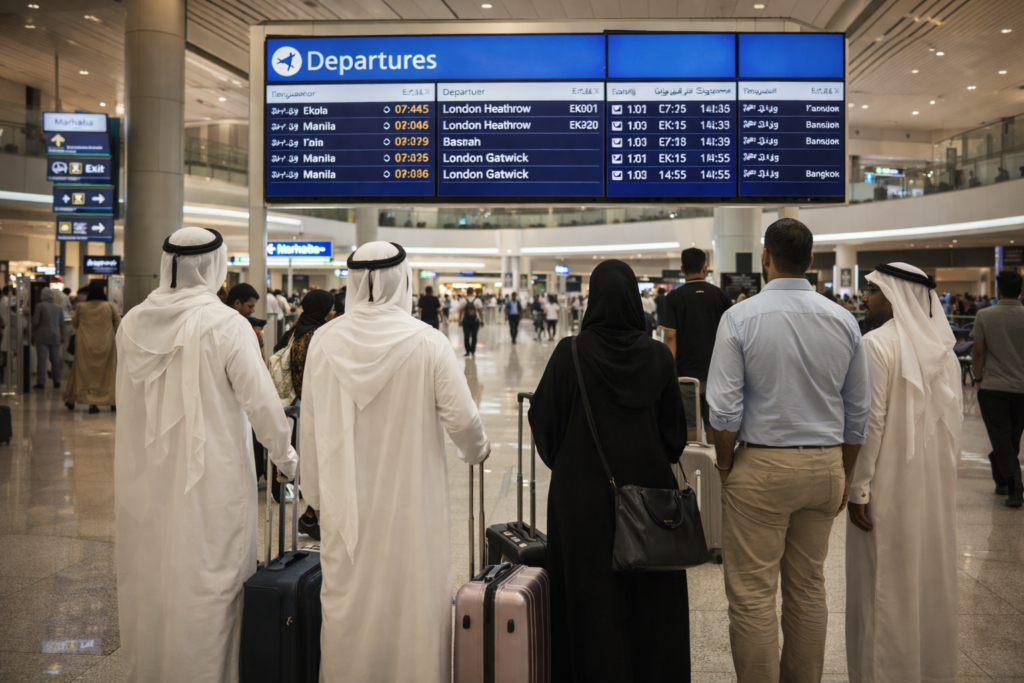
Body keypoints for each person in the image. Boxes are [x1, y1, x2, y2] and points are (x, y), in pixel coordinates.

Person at [114, 227, 298, 683]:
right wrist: (288, 459)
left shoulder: (133, 321)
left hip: (145, 483)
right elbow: (261, 404)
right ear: (213, 267)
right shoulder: (226, 324)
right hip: (211, 483)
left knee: (150, 578)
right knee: (210, 584)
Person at [299, 242, 489, 683]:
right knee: (412, 609)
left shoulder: (324, 342)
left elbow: (307, 428)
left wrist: (316, 497)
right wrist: (476, 450)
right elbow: (463, 422)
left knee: (349, 608)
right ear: (401, 280)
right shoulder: (427, 342)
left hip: (347, 513)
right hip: (412, 511)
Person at [707, 218, 871, 683]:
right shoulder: (843, 320)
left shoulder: (740, 318)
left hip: (761, 464)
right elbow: (859, 413)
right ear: (812, 261)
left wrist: (725, 467)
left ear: (765, 257)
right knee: (808, 588)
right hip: (824, 465)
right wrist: (843, 473)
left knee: (754, 593)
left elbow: (723, 410)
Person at [528, 259, 688, 682]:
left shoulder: (570, 354)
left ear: (592, 300)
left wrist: (571, 462)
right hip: (649, 501)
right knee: (649, 599)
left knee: (587, 595)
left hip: (580, 501)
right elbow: (674, 439)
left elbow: (544, 427)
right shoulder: (657, 357)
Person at [846, 263, 962, 683]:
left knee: (884, 583)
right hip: (931, 487)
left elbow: (870, 423)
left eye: (873, 293)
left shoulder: (877, 344)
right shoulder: (943, 350)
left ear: (895, 297)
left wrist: (858, 489)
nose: (867, 300)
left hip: (888, 487)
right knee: (925, 575)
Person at [271, 288, 336, 538]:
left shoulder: (296, 330)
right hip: (316, 406)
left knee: (313, 462)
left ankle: (311, 516)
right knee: (320, 462)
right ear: (321, 309)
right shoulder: (317, 335)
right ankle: (314, 517)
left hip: (300, 405)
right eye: (330, 307)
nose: (334, 311)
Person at [661, 247, 732, 442]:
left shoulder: (674, 298)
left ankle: (694, 468)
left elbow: (669, 337)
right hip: (716, 375)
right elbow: (730, 336)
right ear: (705, 268)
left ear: (682, 269)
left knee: (690, 424)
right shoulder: (721, 296)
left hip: (685, 375)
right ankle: (714, 467)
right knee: (713, 424)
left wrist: (668, 372)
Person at [972, 269, 1024, 507]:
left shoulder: (984, 315)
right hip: (1022, 388)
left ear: (998, 289)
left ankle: (1014, 486)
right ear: (1020, 290)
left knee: (1001, 437)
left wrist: (978, 378)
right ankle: (1003, 478)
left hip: (993, 387)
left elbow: (979, 351)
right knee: (1012, 437)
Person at [64, 279, 120, 414]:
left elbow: (75, 323)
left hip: (85, 345)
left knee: (85, 374)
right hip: (106, 344)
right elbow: (118, 323)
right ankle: (111, 401)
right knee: (108, 373)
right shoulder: (109, 306)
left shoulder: (82, 307)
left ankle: (91, 405)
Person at [32, 288, 64, 389]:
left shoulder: (39, 306)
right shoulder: (59, 307)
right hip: (55, 335)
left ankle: (41, 381)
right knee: (55, 359)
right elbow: (61, 324)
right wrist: (61, 335)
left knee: (42, 359)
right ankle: (57, 381)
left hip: (42, 336)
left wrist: (33, 334)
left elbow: (35, 322)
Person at [459, 287, 484, 356]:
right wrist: (482, 320)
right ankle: (473, 351)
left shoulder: (463, 300)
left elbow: (461, 311)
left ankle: (467, 351)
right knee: (474, 336)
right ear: (473, 292)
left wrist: (459, 320)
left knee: (466, 336)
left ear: (467, 292)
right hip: (475, 321)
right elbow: (480, 311)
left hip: (466, 321)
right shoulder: (477, 300)